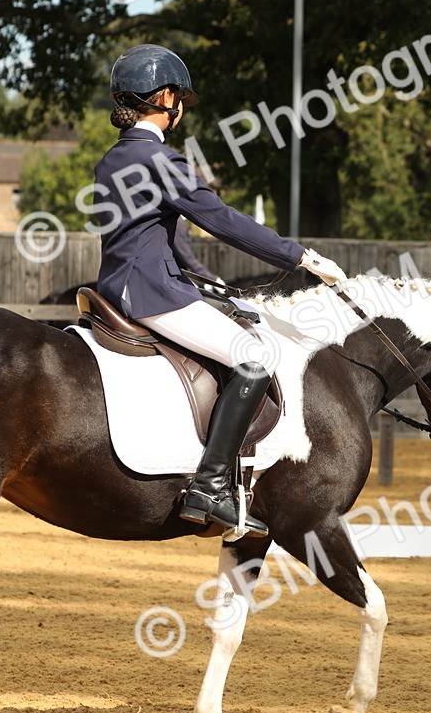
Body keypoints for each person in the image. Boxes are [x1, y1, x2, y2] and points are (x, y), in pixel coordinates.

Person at [94, 44, 348, 538]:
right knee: (255, 358)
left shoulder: (114, 158)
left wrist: (206, 285)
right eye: (179, 98)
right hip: (150, 293)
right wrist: (301, 257)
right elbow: (224, 221)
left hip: (119, 285)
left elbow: (145, 239)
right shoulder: (161, 159)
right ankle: (209, 486)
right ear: (166, 97)